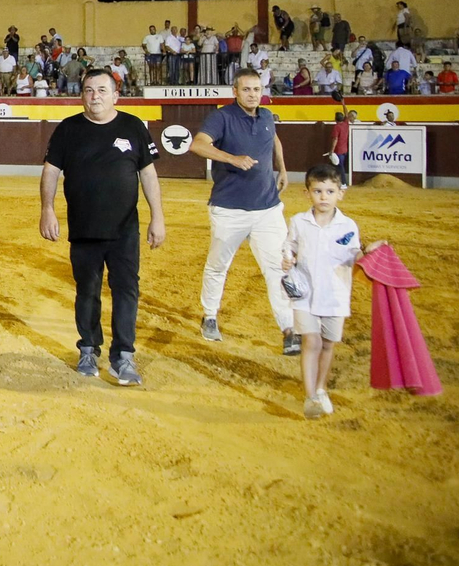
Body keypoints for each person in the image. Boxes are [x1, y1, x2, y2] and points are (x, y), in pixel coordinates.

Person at [40, 67, 166, 385]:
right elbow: (51, 171)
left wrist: (158, 216)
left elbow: (148, 175)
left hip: (125, 229)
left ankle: (123, 357)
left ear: (115, 95)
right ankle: (88, 349)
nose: (94, 96)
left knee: (126, 291)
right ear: (81, 95)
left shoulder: (133, 126)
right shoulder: (68, 129)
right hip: (83, 228)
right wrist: (47, 210)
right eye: (88, 90)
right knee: (87, 292)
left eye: (101, 90)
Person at [190, 68, 298, 354]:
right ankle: (210, 315)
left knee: (278, 268)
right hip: (229, 209)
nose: (253, 94)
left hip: (268, 207)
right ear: (235, 91)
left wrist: (283, 168)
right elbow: (197, 145)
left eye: (257, 89)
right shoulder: (221, 117)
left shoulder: (265, 116)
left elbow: (274, 139)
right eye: (247, 89)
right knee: (218, 266)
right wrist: (231, 158)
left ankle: (289, 329)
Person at [282, 166, 387, 418]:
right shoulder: (298, 221)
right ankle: (309, 398)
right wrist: (287, 258)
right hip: (304, 294)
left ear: (341, 193)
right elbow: (289, 247)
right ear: (307, 193)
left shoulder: (348, 226)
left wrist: (370, 251)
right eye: (317, 191)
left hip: (335, 296)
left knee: (328, 345)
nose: (323, 197)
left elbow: (355, 258)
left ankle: (320, 389)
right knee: (312, 341)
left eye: (330, 191)